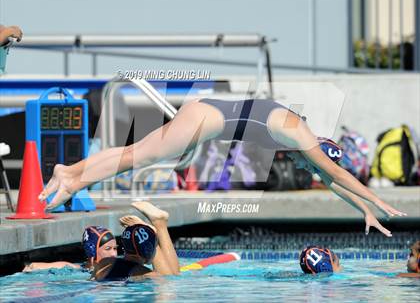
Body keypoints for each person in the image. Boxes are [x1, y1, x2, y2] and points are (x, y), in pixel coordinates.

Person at [39, 98, 406, 236]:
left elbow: (330, 179)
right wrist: (378, 200)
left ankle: (70, 174)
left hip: (205, 115)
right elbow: (337, 174)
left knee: (137, 153)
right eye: (311, 162)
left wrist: (363, 210)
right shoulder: (300, 135)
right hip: (203, 119)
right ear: (320, 149)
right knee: (139, 157)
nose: (303, 166)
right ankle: (71, 179)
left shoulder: (299, 134)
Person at [92, 201, 180, 281]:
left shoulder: (104, 263)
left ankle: (159, 225)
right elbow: (170, 281)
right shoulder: (147, 274)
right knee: (171, 280)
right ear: (149, 252)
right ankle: (160, 225)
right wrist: (154, 242)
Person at [23, 226, 118, 272]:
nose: (114, 254)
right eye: (108, 249)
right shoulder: (73, 269)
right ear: (92, 251)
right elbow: (32, 267)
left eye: (115, 248)